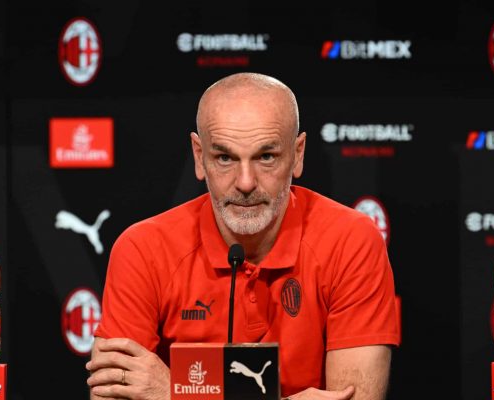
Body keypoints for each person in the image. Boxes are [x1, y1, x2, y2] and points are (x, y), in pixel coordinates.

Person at [86, 72, 400, 400]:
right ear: (199, 156)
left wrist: (175, 392)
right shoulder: (143, 249)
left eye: (266, 157)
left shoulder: (351, 241)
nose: (246, 183)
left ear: (298, 154)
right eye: (225, 158)